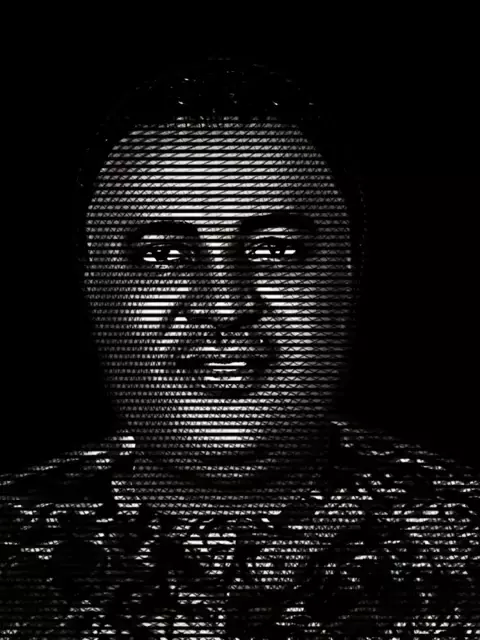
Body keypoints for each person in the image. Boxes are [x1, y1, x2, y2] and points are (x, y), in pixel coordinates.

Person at [0, 59, 478, 638]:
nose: (225, 305)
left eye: (276, 251)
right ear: (93, 290)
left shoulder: (465, 537)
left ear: (347, 277)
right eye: (163, 256)